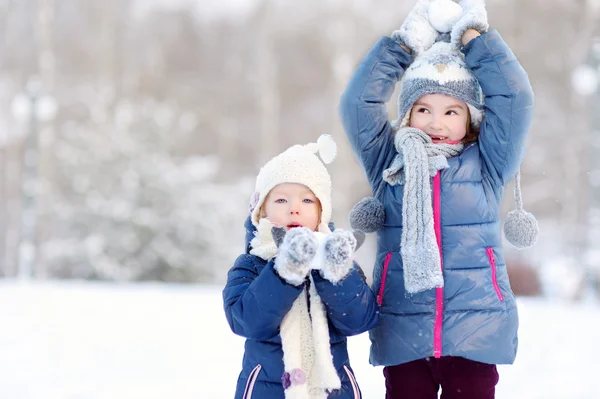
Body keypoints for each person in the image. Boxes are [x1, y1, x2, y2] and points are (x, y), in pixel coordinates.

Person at [339, 0, 537, 397]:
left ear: (471, 119)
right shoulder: (389, 161)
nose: (435, 122)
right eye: (423, 108)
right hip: (403, 326)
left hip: (475, 330)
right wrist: (402, 47)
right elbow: (357, 104)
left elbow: (514, 98)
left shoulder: (488, 162)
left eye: (451, 112)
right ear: (407, 115)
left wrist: (473, 40)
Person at [223, 134, 379, 399]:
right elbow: (247, 321)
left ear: (322, 212)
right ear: (261, 212)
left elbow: (359, 320)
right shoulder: (252, 265)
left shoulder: (336, 259)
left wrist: (334, 272)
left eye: (307, 201)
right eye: (281, 200)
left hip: (331, 390)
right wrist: (284, 272)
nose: (294, 209)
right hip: (269, 390)